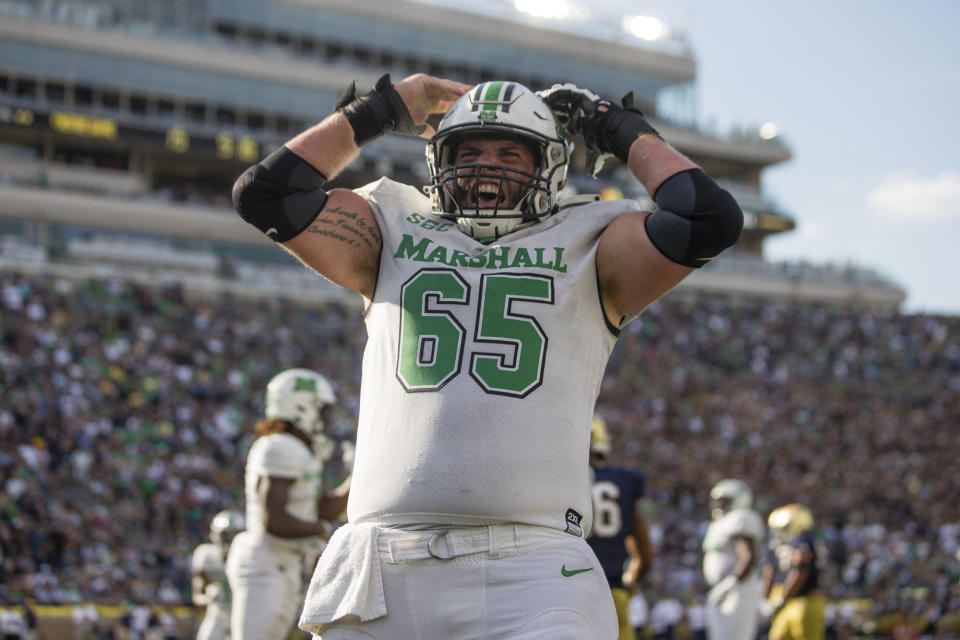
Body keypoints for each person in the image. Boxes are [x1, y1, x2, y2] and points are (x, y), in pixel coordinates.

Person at [231, 72, 742, 638]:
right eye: (468, 149)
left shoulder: (592, 239)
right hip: (383, 559)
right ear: (438, 160)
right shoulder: (390, 224)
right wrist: (382, 109)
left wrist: (612, 127)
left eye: (510, 152)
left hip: (535, 567)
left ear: (548, 163)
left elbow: (707, 218)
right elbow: (265, 194)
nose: (486, 167)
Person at [225, 368, 351, 640]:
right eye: (322, 410)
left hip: (282, 563)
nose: (325, 420)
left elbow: (326, 507)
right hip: (266, 560)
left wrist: (358, 475)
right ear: (301, 406)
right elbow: (275, 520)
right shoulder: (280, 446)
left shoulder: (296, 449)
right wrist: (321, 530)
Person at [587, 415, 653, 640]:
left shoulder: (561, 479)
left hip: (569, 591)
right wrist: (631, 581)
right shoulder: (624, 481)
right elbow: (645, 553)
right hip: (614, 592)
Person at [701, 478, 765, 640]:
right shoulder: (720, 523)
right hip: (723, 589)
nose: (716, 505)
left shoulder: (740, 517)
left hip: (738, 589)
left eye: (722, 500)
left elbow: (747, 556)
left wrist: (731, 583)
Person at [763, 503, 826, 640]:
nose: (780, 532)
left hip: (804, 600)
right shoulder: (785, 544)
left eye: (783, 528)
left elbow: (801, 572)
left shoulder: (803, 542)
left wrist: (781, 599)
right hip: (789, 599)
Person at [191, 509, 245, 640]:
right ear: (214, 535)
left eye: (232, 535)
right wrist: (209, 598)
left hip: (245, 614)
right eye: (225, 535)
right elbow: (197, 596)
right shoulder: (206, 554)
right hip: (218, 614)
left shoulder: (249, 556)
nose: (228, 540)